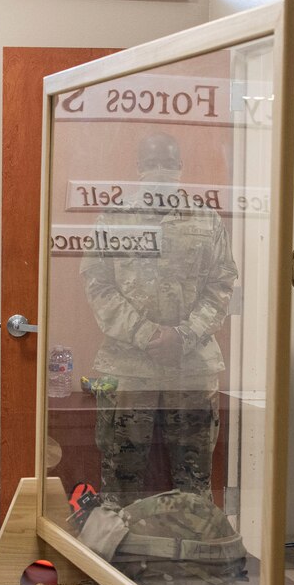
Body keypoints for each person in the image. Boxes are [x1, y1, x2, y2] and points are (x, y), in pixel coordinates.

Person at [80, 132, 238, 505]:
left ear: (181, 167)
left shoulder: (207, 219)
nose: (160, 171)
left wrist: (185, 335)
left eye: (168, 163)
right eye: (152, 163)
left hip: (191, 371)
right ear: (138, 168)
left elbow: (222, 283)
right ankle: (116, 560)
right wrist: (145, 334)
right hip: (129, 369)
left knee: (195, 486)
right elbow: (97, 284)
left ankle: (193, 560)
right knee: (120, 484)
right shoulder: (113, 218)